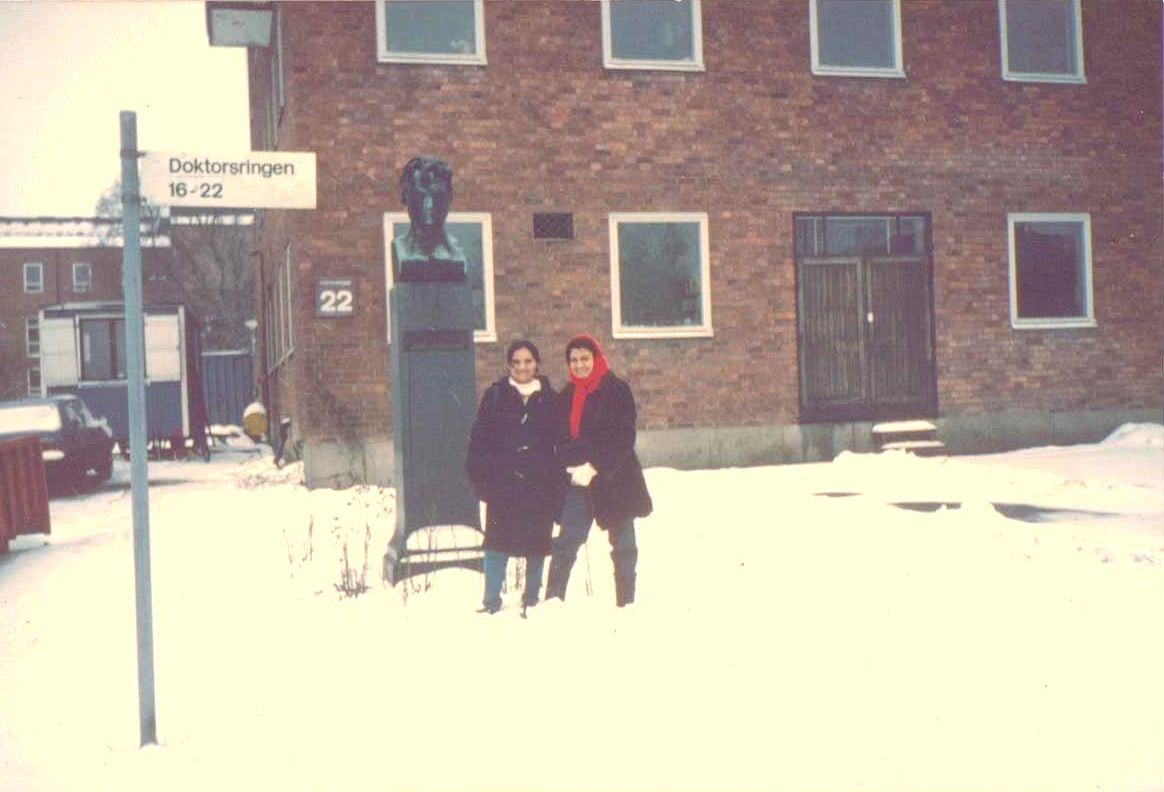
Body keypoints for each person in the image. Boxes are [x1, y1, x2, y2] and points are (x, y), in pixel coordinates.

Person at [546, 334, 652, 607]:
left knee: (624, 546)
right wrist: (575, 465)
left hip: (615, 478)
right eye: (574, 360)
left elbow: (623, 437)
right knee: (566, 542)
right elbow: (559, 438)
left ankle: (626, 605)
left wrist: (595, 465)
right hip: (578, 479)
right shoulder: (567, 395)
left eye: (585, 358)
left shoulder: (617, 390)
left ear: (596, 358)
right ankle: (552, 603)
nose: (579, 364)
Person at [466, 340, 564, 616]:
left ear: (537, 363)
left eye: (528, 361)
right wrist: (483, 482)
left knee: (537, 542)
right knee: (497, 542)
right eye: (516, 362)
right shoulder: (495, 395)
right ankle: (491, 602)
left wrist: (556, 484)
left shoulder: (550, 398)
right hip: (503, 484)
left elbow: (560, 443)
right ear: (509, 365)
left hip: (539, 483)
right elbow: (479, 441)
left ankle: (531, 599)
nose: (522, 367)